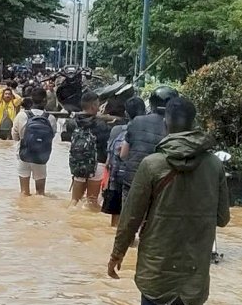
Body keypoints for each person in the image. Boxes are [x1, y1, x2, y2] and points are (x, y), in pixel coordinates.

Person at [108, 97, 230, 305]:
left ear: (166, 123)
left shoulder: (152, 164)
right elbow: (222, 218)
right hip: (194, 263)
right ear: (194, 123)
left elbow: (131, 217)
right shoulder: (214, 165)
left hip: (158, 263)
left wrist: (117, 254)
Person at [119, 86, 179, 208]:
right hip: (160, 185)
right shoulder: (177, 128)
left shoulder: (136, 121)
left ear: (151, 103)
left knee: (127, 218)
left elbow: (123, 155)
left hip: (132, 181)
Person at [103, 96, 147, 226]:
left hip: (116, 179)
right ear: (144, 112)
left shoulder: (116, 130)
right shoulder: (147, 133)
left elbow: (108, 161)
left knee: (114, 223)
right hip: (136, 179)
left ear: (126, 113)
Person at [69, 91, 112, 208]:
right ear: (93, 106)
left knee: (74, 201)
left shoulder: (73, 122)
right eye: (98, 105)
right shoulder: (101, 125)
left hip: (79, 163)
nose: (99, 108)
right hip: (97, 165)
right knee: (91, 202)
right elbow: (106, 144)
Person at [12, 87, 57, 196]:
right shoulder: (50, 118)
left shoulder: (21, 115)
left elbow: (15, 136)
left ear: (31, 99)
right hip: (41, 157)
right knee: (40, 193)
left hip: (23, 155)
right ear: (45, 100)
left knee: (24, 193)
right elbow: (52, 136)